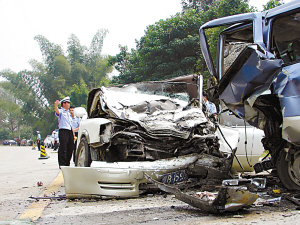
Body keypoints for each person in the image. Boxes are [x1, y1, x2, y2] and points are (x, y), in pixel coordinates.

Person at [54, 96, 74, 167]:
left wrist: (73, 133)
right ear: (63, 104)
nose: (69, 104)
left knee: (71, 147)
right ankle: (62, 164)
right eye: (67, 103)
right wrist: (56, 105)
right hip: (63, 130)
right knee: (63, 147)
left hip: (69, 131)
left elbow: (70, 124)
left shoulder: (68, 113)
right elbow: (57, 112)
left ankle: (67, 162)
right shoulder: (61, 111)